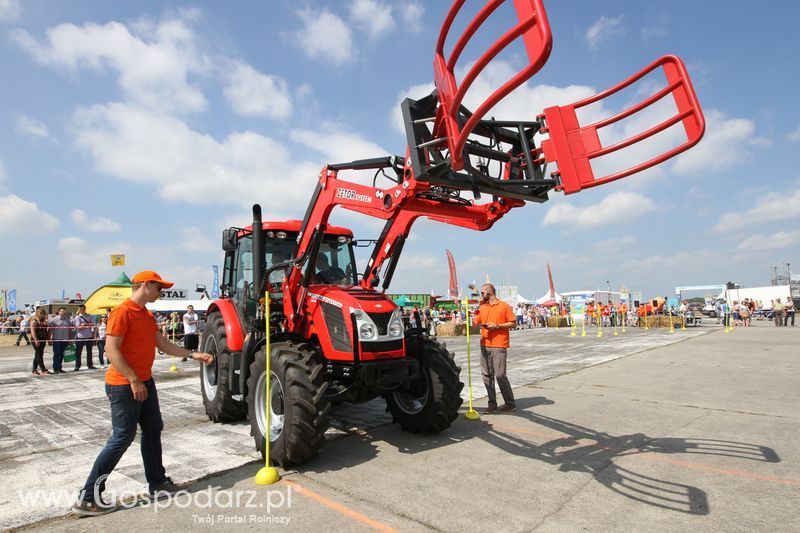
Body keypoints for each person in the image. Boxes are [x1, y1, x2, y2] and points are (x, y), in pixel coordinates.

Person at [72, 270, 214, 516]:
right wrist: (133, 379)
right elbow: (112, 351)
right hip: (124, 385)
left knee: (152, 429)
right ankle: (88, 496)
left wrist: (193, 355)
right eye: (159, 288)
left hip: (144, 382)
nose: (162, 292)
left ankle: (158, 483)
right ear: (145, 285)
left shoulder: (146, 316)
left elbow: (163, 345)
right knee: (122, 438)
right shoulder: (122, 313)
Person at [472, 283, 516, 413]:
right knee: (486, 375)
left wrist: (497, 326)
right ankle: (492, 403)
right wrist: (471, 317)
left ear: (489, 292)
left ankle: (510, 403)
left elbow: (513, 323)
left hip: (499, 344)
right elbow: (475, 323)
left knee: (500, 375)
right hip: (484, 344)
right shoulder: (482, 307)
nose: (481, 294)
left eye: (482, 292)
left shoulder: (504, 306)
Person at [48, 307, 73, 373]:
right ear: (59, 312)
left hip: (65, 340)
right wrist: (49, 339)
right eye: (62, 311)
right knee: (57, 354)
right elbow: (50, 330)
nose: (63, 313)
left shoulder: (68, 320)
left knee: (62, 354)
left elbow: (70, 330)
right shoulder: (53, 320)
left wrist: (70, 339)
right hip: (57, 339)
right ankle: (55, 368)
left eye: (64, 312)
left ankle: (59, 368)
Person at [73, 305, 97, 370]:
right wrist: (88, 325)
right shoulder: (78, 317)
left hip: (89, 336)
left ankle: (90, 365)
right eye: (80, 309)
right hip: (80, 337)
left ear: (85, 309)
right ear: (78, 310)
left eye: (83, 309)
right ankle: (77, 366)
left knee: (89, 352)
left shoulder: (90, 316)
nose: (82, 310)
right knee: (78, 352)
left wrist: (85, 325)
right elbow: (78, 327)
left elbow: (94, 324)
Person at [29, 308, 50, 376]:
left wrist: (48, 339)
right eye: (40, 313)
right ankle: (43, 369)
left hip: (43, 339)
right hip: (36, 339)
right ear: (37, 313)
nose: (42, 315)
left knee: (38, 354)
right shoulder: (34, 321)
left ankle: (34, 370)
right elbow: (33, 331)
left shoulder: (44, 321)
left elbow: (47, 331)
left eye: (43, 313)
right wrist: (36, 340)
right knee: (39, 354)